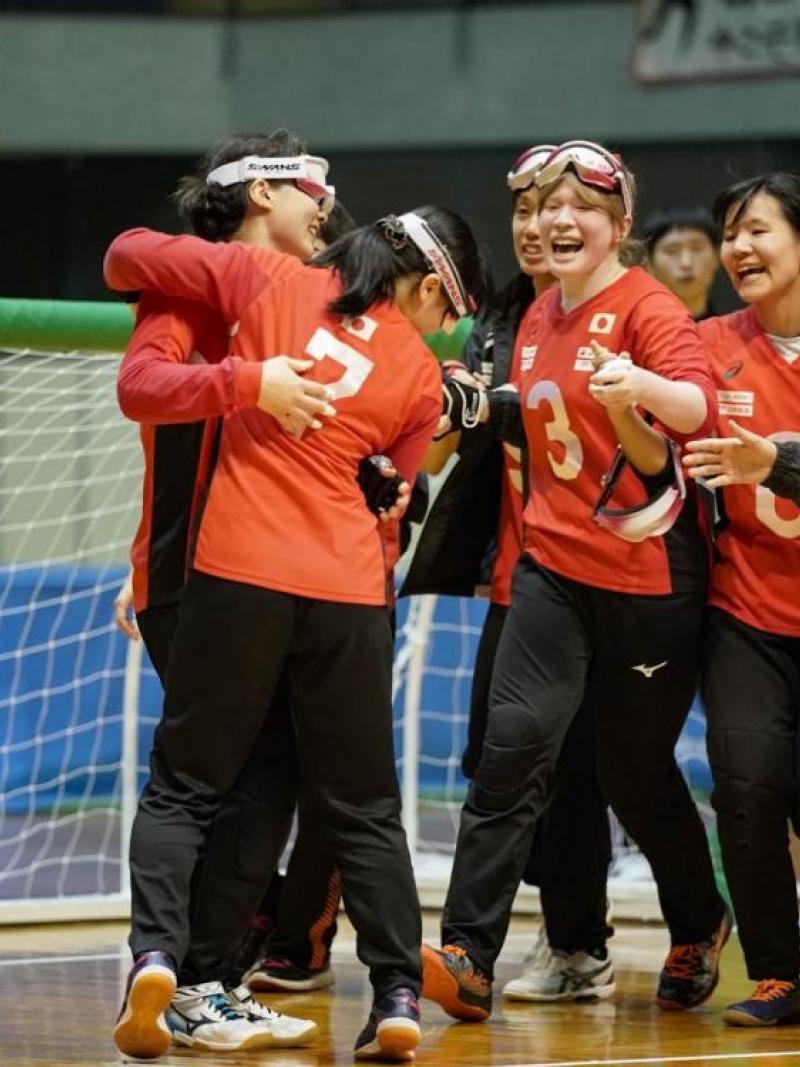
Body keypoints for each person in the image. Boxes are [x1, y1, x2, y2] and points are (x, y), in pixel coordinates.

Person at [104, 205, 490, 1061]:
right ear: (428, 286)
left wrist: (251, 379)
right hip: (349, 595)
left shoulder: (267, 278)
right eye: (447, 310)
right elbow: (391, 498)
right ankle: (394, 995)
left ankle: (157, 956)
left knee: (185, 787)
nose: (440, 327)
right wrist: (385, 480)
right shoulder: (423, 377)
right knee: (364, 810)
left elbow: (122, 254)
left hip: (239, 573)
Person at [420, 139, 730, 1024]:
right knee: (512, 752)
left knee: (632, 772)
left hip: (649, 576)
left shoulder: (650, 308)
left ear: (619, 225)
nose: (551, 222)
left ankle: (700, 918)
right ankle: (468, 951)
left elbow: (700, 409)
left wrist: (640, 389)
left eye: (576, 209)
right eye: (531, 210)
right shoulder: (530, 318)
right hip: (551, 568)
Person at [403, 143, 615, 1003]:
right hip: (518, 576)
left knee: (605, 772)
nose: (538, 228)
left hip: (612, 578)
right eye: (525, 214)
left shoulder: (623, 314)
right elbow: (448, 438)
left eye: (558, 212)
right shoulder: (495, 321)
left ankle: (590, 937)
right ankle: (548, 942)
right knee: (497, 764)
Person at [682, 172, 800, 1026]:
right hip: (745, 612)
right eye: (731, 232)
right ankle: (780, 970)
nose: (738, 248)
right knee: (747, 786)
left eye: (757, 229)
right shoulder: (708, 343)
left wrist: (779, 462)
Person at [642, 205, 720, 321]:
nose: (686, 263)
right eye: (671, 251)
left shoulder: (733, 335)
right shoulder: (631, 335)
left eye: (697, 248)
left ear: (717, 256)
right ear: (649, 263)